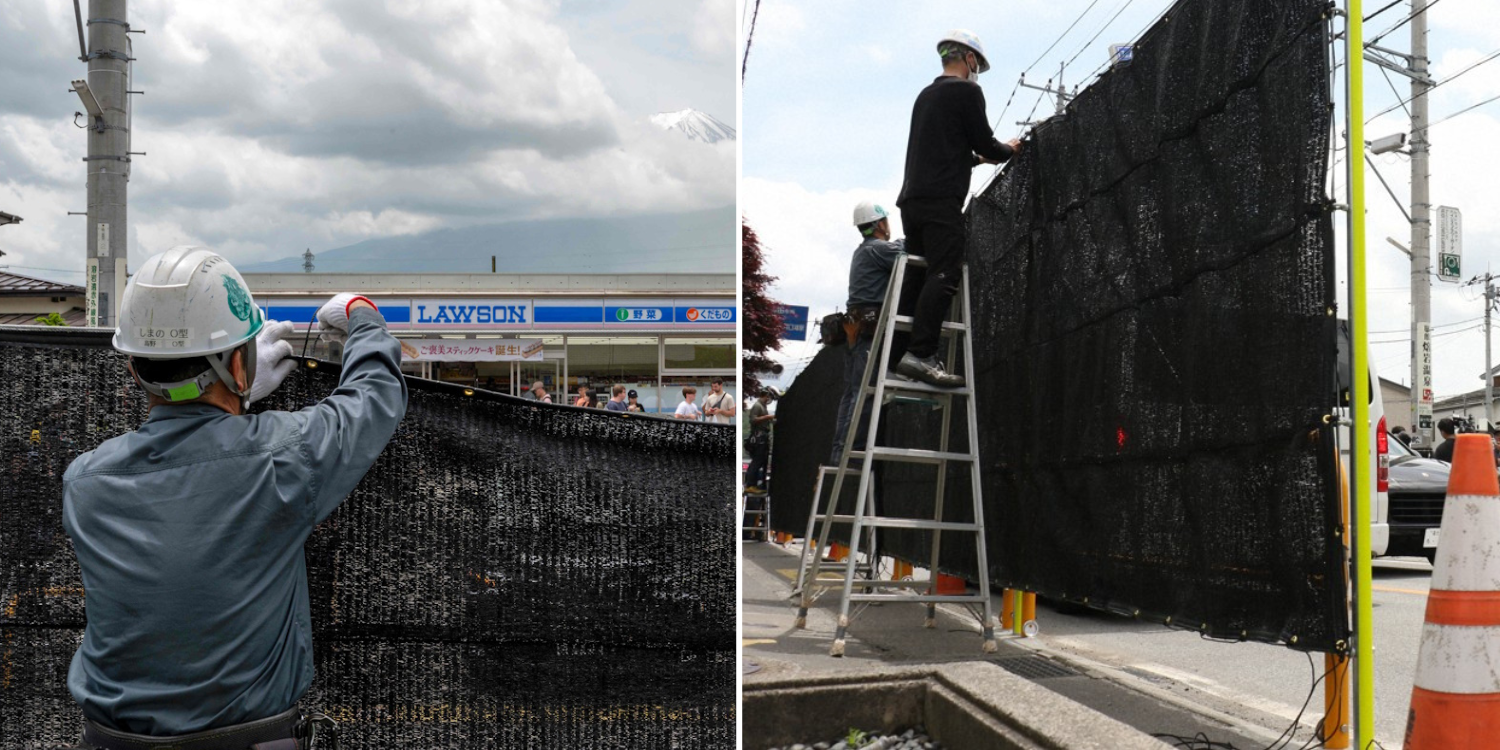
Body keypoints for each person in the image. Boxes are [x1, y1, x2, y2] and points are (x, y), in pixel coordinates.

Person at [61, 246, 407, 745]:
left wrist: (233, 398)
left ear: (135, 369)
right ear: (238, 366)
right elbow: (374, 396)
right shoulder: (282, 458)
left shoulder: (85, 483)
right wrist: (361, 315)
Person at [893, 29, 1020, 387]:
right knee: (945, 272)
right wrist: (1008, 150)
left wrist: (976, 160)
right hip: (941, 202)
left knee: (917, 275)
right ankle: (921, 356)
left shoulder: (926, 95)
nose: (976, 69)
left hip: (912, 202)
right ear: (968, 59)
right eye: (976, 62)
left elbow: (948, 151)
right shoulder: (967, 91)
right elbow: (986, 141)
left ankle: (896, 355)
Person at [831, 200, 905, 464]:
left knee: (851, 393)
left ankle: (841, 452)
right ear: (880, 224)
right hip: (868, 331)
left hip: (855, 330)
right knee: (864, 392)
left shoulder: (861, 251)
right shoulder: (878, 249)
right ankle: (855, 452)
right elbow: (906, 251)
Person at [745, 388, 777, 494]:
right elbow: (753, 420)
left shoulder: (763, 407)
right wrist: (767, 417)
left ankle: (758, 485)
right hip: (758, 439)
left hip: (763, 438)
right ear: (765, 396)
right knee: (757, 462)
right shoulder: (757, 406)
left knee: (762, 462)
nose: (769, 400)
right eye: (768, 397)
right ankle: (750, 485)